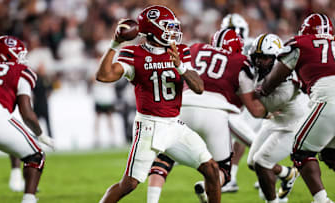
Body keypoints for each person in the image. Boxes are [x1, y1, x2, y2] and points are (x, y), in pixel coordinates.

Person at [96, 5, 222, 203]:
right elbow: (103, 76)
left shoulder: (179, 51)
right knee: (129, 184)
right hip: (149, 127)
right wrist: (114, 44)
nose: (173, 31)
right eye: (167, 27)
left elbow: (198, 87)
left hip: (174, 125)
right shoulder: (133, 53)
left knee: (211, 169)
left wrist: (180, 66)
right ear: (153, 29)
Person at [146, 28, 268, 203]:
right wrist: (271, 109)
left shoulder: (195, 49)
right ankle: (206, 187)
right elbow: (255, 110)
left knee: (164, 158)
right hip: (215, 114)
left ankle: (152, 201)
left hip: (183, 108)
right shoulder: (240, 61)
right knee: (222, 171)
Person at [259, 13, 335, 203]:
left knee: (301, 151)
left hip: (328, 95)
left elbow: (272, 82)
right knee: (330, 154)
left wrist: (259, 90)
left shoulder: (300, 43)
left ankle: (322, 201)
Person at [0, 35, 54, 203]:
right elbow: (26, 112)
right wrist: (40, 134)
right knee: (36, 155)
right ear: (10, 54)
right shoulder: (21, 71)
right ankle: (29, 199)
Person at [246, 33, 304, 203]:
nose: (258, 62)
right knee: (251, 162)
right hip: (275, 120)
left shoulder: (286, 79)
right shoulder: (259, 71)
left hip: (293, 125)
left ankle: (273, 201)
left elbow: (258, 107)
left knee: (261, 162)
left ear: (276, 58)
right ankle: (288, 174)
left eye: (264, 58)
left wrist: (244, 93)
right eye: (256, 57)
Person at [220, 13, 263, 192]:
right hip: (249, 96)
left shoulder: (251, 44)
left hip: (252, 95)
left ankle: (274, 173)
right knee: (242, 138)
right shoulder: (252, 43)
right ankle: (235, 177)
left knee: (248, 139)